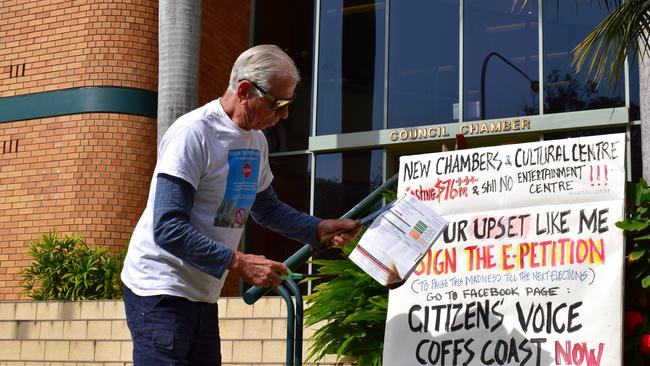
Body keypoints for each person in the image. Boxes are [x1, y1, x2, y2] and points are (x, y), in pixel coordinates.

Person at [120, 44, 360, 365]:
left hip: (202, 293)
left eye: (289, 103)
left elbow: (267, 208)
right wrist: (240, 262)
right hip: (159, 288)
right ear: (245, 91)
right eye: (279, 103)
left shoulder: (256, 140)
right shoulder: (194, 134)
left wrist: (317, 229)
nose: (286, 114)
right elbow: (168, 228)